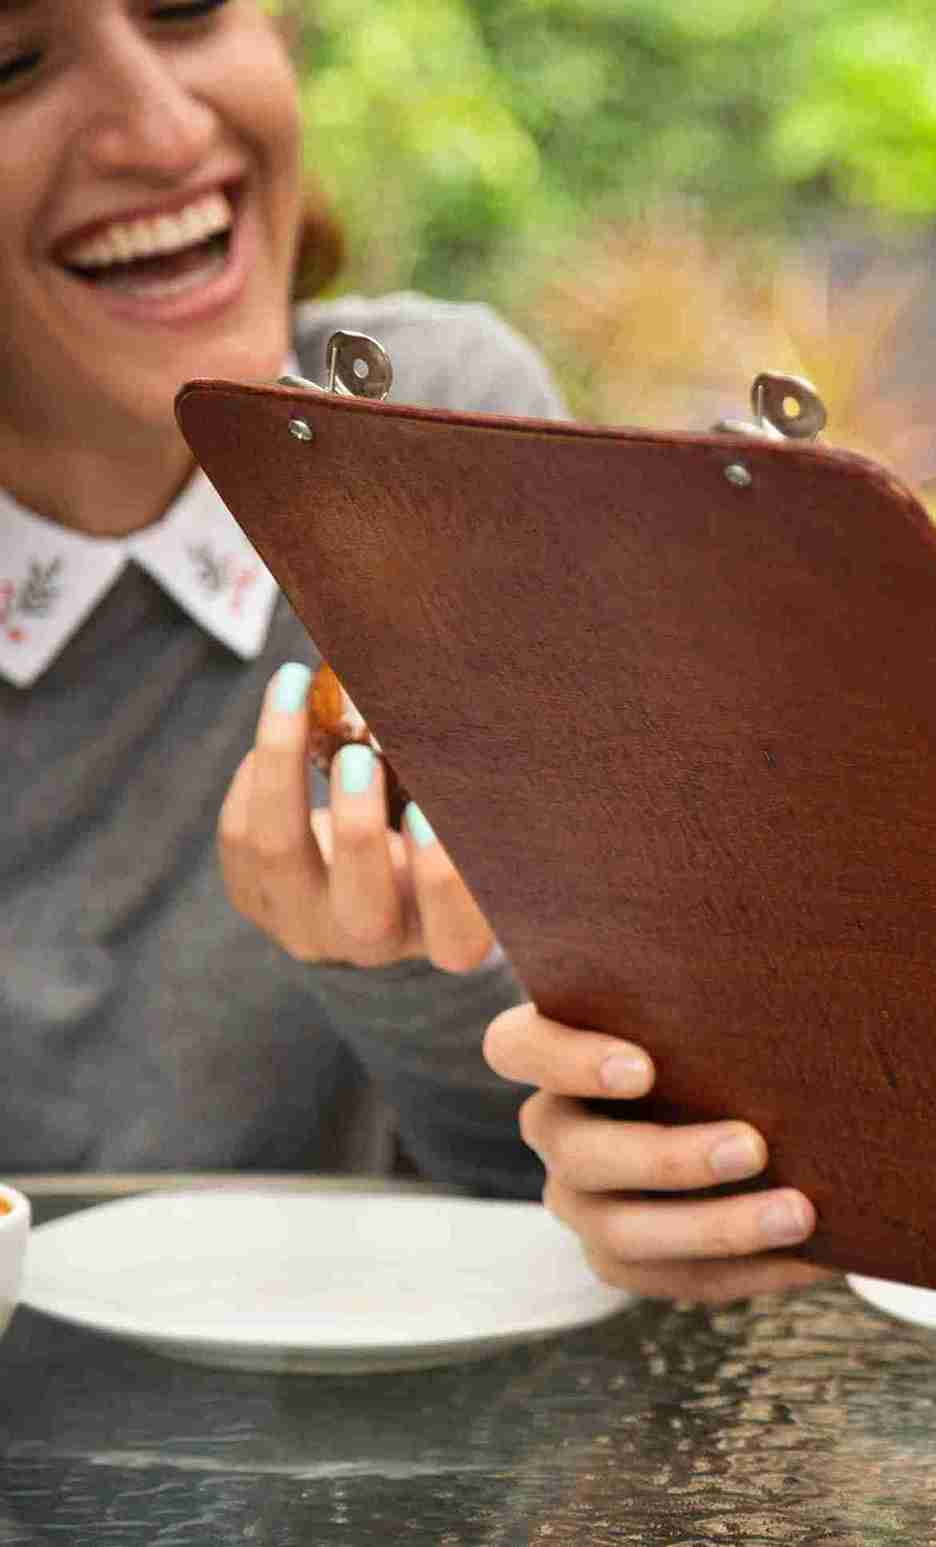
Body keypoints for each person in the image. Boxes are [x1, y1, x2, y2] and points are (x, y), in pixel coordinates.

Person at [1, 0, 552, 1194]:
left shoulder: (440, 433)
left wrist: (408, 969)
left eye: (188, 8)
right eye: (9, 65)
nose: (157, 128)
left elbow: (598, 1200)